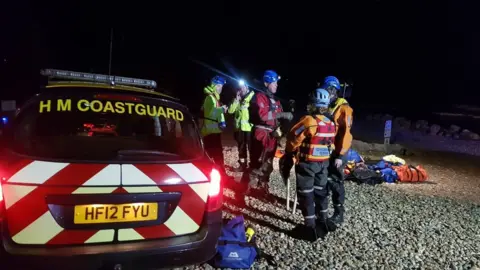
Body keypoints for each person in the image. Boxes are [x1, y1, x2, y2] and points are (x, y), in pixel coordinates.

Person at [280, 88, 336, 241]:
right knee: (321, 192)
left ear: (313, 103)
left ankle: (309, 227)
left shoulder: (309, 121)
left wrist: (290, 153)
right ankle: (323, 221)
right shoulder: (331, 122)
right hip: (323, 164)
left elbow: (293, 137)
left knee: (306, 194)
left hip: (307, 164)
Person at [248, 70, 293, 196]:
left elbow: (277, 118)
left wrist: (284, 122)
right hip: (260, 133)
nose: (276, 85)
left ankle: (263, 188)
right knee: (256, 162)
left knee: (268, 163)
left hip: (272, 135)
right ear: (267, 83)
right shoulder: (259, 97)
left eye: (277, 83)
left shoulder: (274, 100)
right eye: (274, 83)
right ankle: (245, 189)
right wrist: (282, 114)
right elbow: (262, 116)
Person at [322, 75, 354, 227]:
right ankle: (323, 209)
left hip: (339, 152)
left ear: (333, 90)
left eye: (327, 90)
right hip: (329, 151)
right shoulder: (330, 106)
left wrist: (340, 155)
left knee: (335, 182)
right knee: (326, 180)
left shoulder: (344, 109)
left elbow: (346, 134)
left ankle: (338, 214)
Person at [200, 75, 231, 179]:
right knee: (212, 155)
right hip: (210, 132)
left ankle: (220, 174)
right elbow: (210, 113)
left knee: (217, 155)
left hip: (215, 131)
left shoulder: (215, 98)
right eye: (218, 86)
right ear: (213, 86)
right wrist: (222, 109)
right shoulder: (209, 98)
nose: (220, 88)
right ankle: (219, 176)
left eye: (221, 86)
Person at [227, 79, 255, 172]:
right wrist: (236, 100)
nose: (241, 89)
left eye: (243, 87)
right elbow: (230, 111)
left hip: (250, 128)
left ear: (247, 87)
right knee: (241, 148)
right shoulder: (237, 99)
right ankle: (242, 165)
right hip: (239, 128)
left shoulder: (252, 97)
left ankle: (253, 166)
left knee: (252, 148)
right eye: (240, 88)